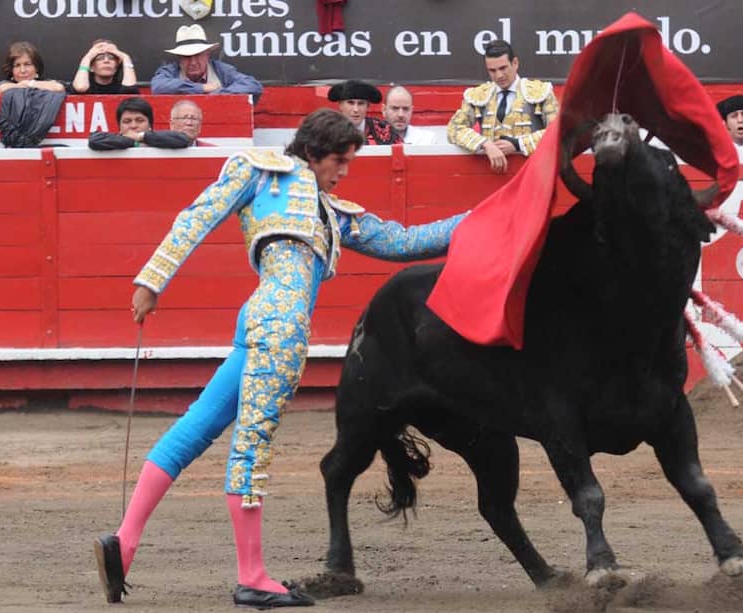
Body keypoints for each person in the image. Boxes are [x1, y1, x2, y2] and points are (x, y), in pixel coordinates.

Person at [93, 108, 467, 608]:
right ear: (312, 153)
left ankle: (126, 541)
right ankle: (252, 577)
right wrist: (150, 280)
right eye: (338, 159)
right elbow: (198, 216)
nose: (344, 170)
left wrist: (479, 219)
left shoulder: (330, 211)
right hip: (282, 324)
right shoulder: (261, 168)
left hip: (257, 318)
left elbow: (405, 241)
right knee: (252, 443)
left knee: (194, 429)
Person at [447, 39, 558, 173]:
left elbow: (557, 131)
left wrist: (518, 144)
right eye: (492, 70)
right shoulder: (479, 95)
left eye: (503, 68)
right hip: (491, 174)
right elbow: (454, 129)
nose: (499, 75)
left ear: (515, 63)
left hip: (532, 173)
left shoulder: (540, 91)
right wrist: (485, 144)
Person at [151, 24, 263, 104]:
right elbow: (158, 86)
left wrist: (219, 94)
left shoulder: (221, 70)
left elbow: (253, 86)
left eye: (198, 55)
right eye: (187, 57)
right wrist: (202, 88)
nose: (193, 62)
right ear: (179, 58)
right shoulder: (171, 70)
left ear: (207, 54)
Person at [88, 97, 192, 150]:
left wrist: (141, 136)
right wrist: (135, 142)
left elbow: (183, 139)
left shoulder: (159, 139)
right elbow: (94, 140)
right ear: (119, 126)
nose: (133, 126)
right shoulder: (114, 139)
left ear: (150, 125)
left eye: (140, 120)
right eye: (127, 121)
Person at [328, 79, 402, 145]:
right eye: (350, 103)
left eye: (361, 103)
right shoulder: (327, 131)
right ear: (340, 105)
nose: (356, 109)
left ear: (368, 106)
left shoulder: (386, 130)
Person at [69, 39, 139, 95]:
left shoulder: (121, 86)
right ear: (91, 67)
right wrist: (87, 57)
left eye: (111, 58)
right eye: (100, 58)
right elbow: (80, 88)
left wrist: (125, 57)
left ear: (116, 67)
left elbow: (130, 90)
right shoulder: (81, 83)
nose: (106, 61)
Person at [0, 41, 66, 94]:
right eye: (17, 65)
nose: (22, 70)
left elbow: (59, 88)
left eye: (27, 64)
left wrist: (29, 84)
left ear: (37, 67)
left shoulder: (44, 81)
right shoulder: (6, 83)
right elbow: (2, 89)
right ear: (11, 69)